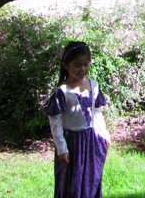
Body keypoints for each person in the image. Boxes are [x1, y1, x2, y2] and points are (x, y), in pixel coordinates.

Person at [44, 41, 111, 198]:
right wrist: (62, 148)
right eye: (77, 65)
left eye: (86, 64)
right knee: (71, 182)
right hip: (72, 144)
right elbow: (55, 122)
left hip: (91, 142)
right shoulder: (62, 91)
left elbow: (96, 112)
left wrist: (104, 133)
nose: (82, 69)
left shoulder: (93, 85)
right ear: (66, 66)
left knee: (91, 179)